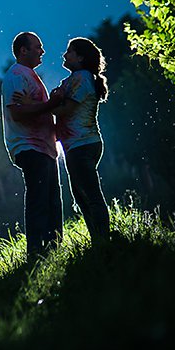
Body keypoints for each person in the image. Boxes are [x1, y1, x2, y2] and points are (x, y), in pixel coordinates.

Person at [1, 32, 65, 259]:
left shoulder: (28, 75)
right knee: (40, 199)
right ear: (23, 51)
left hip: (43, 148)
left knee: (51, 199)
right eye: (38, 47)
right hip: (30, 146)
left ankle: (53, 250)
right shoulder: (17, 75)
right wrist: (52, 104)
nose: (42, 51)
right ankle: (38, 253)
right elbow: (17, 113)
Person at [51, 37, 110, 244]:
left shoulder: (81, 78)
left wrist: (39, 107)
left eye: (70, 51)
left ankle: (103, 242)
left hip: (81, 145)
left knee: (91, 196)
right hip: (80, 144)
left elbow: (67, 109)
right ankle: (99, 241)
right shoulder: (78, 78)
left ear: (80, 57)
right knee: (82, 195)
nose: (65, 55)